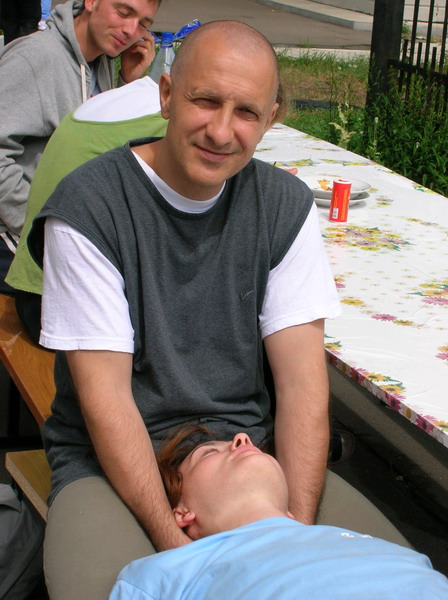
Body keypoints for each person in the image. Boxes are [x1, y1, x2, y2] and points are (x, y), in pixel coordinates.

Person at [28, 20, 404, 599]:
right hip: (111, 463)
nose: (222, 131)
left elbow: (303, 386)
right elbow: (107, 404)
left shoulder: (283, 206)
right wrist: (186, 558)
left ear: (271, 118)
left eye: (246, 112)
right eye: (205, 101)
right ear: (167, 95)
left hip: (246, 457)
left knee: (398, 578)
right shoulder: (90, 208)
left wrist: (291, 545)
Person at [110, 426, 448, 599]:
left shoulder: (384, 549)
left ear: (291, 511)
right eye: (208, 453)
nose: (242, 438)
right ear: (183, 513)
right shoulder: (169, 571)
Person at [0, 0, 159, 294]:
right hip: (19, 247)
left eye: (143, 24)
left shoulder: (99, 61)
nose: (130, 30)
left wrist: (127, 83)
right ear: (91, 1)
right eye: (123, 13)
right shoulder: (35, 58)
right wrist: (40, 227)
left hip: (65, 237)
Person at [6, 74, 167, 343]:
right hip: (66, 311)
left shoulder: (126, 98)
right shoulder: (174, 124)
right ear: (168, 94)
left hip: (32, 290)